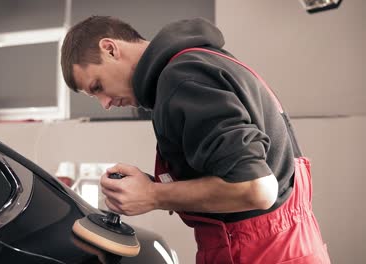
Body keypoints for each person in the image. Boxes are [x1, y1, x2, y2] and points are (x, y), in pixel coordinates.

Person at [61, 16, 330, 263]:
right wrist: (150, 186)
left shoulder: (182, 77)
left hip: (259, 254)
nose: (105, 103)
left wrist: (154, 195)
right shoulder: (207, 60)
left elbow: (256, 187)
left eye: (98, 87)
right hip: (293, 246)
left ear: (110, 48)